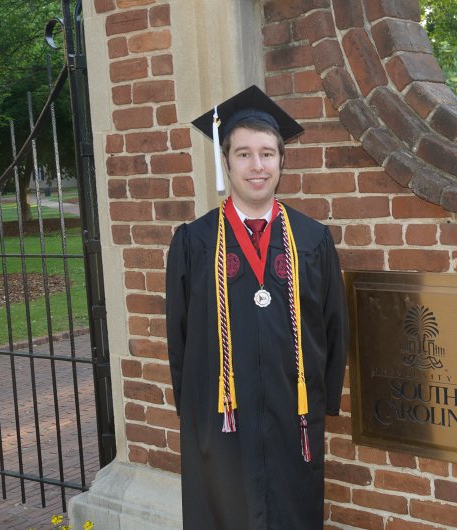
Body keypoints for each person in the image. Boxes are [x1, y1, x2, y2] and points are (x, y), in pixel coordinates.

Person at [165, 85, 349, 529]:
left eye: (267, 153)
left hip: (294, 416)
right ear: (225, 161)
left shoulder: (312, 240)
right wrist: (195, 412)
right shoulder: (194, 242)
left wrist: (319, 400)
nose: (256, 166)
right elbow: (180, 337)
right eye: (243, 154)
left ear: (282, 162)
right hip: (222, 419)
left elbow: (333, 326)